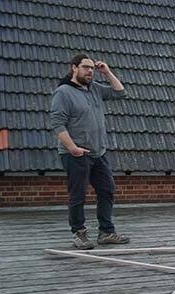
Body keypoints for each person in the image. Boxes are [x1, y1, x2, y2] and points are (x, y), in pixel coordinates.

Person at [49, 53, 130, 250]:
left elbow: (120, 93)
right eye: (86, 67)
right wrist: (72, 148)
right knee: (78, 195)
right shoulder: (63, 92)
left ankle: (106, 232)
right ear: (74, 68)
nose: (90, 71)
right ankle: (79, 234)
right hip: (76, 154)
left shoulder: (94, 89)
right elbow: (57, 124)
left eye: (92, 68)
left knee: (107, 190)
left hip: (98, 153)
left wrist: (107, 72)